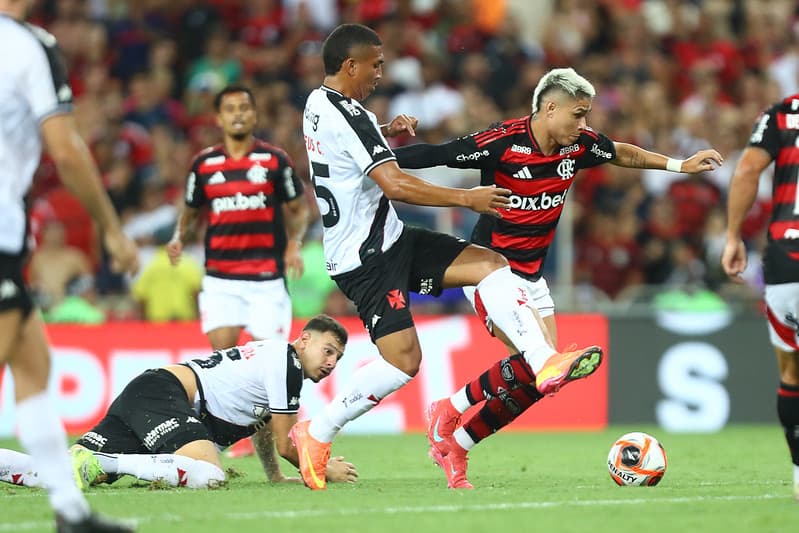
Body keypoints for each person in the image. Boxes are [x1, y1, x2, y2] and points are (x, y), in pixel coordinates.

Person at [290, 24, 605, 491]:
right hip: (364, 258)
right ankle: (316, 432)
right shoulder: (349, 115)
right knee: (403, 362)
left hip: (392, 238)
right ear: (350, 65)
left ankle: (542, 359)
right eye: (375, 64)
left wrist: (383, 131)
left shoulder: (322, 105)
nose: (381, 72)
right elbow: (395, 184)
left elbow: (349, 140)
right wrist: (466, 200)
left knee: (490, 263)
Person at [393, 67, 723, 489]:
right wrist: (369, 161)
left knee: (545, 381)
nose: (584, 125)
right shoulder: (503, 142)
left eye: (586, 116)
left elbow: (624, 153)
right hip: (490, 270)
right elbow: (436, 154)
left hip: (532, 276)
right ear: (549, 108)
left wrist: (681, 165)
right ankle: (449, 408)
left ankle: (455, 440)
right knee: (541, 365)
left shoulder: (577, 146)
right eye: (577, 114)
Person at [0, 2, 139, 531]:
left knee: (32, 362)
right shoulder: (29, 45)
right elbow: (66, 146)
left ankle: (70, 511)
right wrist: (109, 225)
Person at [0, 315, 358, 489]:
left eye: (337, 358)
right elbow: (286, 442)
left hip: (151, 393)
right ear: (304, 340)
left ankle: (87, 462)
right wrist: (323, 470)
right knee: (211, 476)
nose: (330, 363)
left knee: (58, 474)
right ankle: (103, 461)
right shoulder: (287, 363)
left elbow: (264, 427)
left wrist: (275, 477)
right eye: (327, 351)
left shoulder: (277, 360)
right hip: (167, 396)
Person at [168, 85, 310, 458]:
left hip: (266, 277)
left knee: (274, 359)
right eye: (230, 109)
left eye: (245, 107)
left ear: (255, 115)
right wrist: (178, 238)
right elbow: (190, 211)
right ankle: (238, 433)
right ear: (218, 118)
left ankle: (280, 434)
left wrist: (294, 243)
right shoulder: (204, 165)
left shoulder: (275, 161)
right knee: (223, 358)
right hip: (220, 278)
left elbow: (300, 210)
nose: (238, 114)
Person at [721, 94, 799, 502]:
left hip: (787, 258)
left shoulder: (784, 113)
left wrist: (733, 235)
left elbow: (749, 167)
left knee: (791, 372)